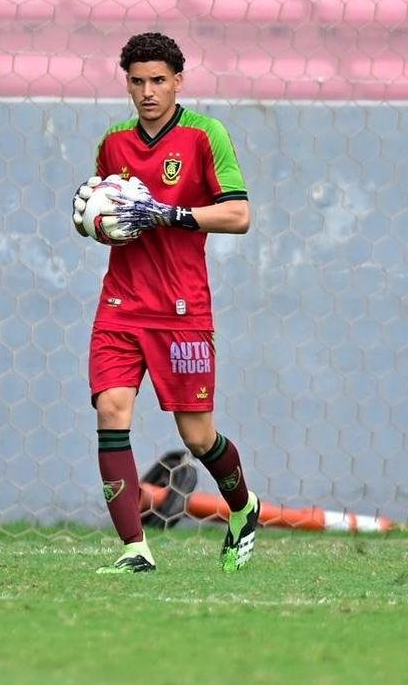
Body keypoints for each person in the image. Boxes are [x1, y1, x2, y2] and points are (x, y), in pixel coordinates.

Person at [72, 32, 259, 573]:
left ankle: (243, 507)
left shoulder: (205, 136)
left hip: (182, 309)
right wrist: (97, 225)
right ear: (126, 82)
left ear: (179, 80)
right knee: (112, 410)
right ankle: (135, 549)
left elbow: (239, 215)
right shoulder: (113, 143)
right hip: (122, 304)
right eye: (137, 81)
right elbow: (115, 223)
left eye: (158, 80)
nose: (148, 91)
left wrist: (172, 214)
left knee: (197, 435)